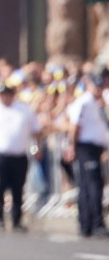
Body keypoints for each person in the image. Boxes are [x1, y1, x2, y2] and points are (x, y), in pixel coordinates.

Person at [0, 79, 42, 232]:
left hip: (18, 155)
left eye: (7, 94)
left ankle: (16, 219)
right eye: (3, 94)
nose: (5, 97)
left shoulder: (24, 110)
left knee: (18, 188)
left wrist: (37, 147)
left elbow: (36, 130)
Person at [62, 71, 108, 238]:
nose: (99, 89)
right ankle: (93, 223)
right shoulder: (85, 102)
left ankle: (89, 223)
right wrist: (72, 146)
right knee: (92, 186)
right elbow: (75, 127)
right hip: (85, 147)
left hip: (95, 148)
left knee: (92, 185)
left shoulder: (98, 103)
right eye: (96, 86)